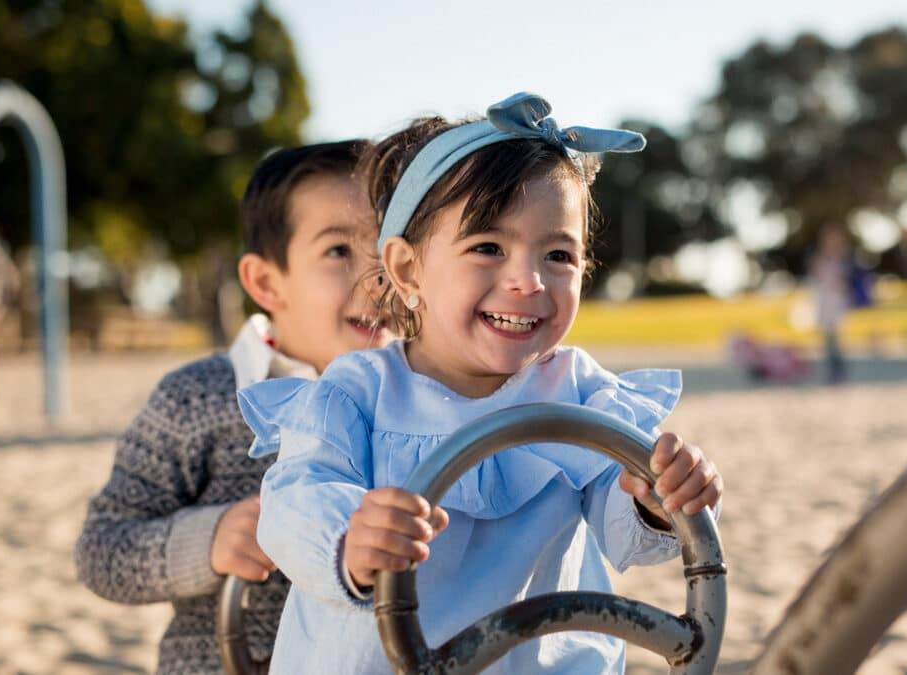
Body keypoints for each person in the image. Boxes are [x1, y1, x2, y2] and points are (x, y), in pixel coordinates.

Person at [238, 93, 724, 674]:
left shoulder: (579, 393)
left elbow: (625, 540)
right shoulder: (356, 393)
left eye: (559, 255)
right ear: (408, 269)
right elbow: (294, 499)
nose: (528, 279)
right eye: (488, 247)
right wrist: (349, 540)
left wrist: (655, 502)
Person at [74, 141, 391, 674]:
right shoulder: (198, 399)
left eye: (391, 248)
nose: (377, 277)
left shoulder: (423, 396)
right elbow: (101, 550)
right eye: (339, 251)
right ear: (266, 282)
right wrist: (209, 540)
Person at [810, 225, 853, 384]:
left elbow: (843, 284)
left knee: (835, 340)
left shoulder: (842, 260)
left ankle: (838, 372)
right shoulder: (820, 259)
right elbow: (817, 281)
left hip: (836, 305)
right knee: (828, 341)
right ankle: (833, 372)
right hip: (826, 304)